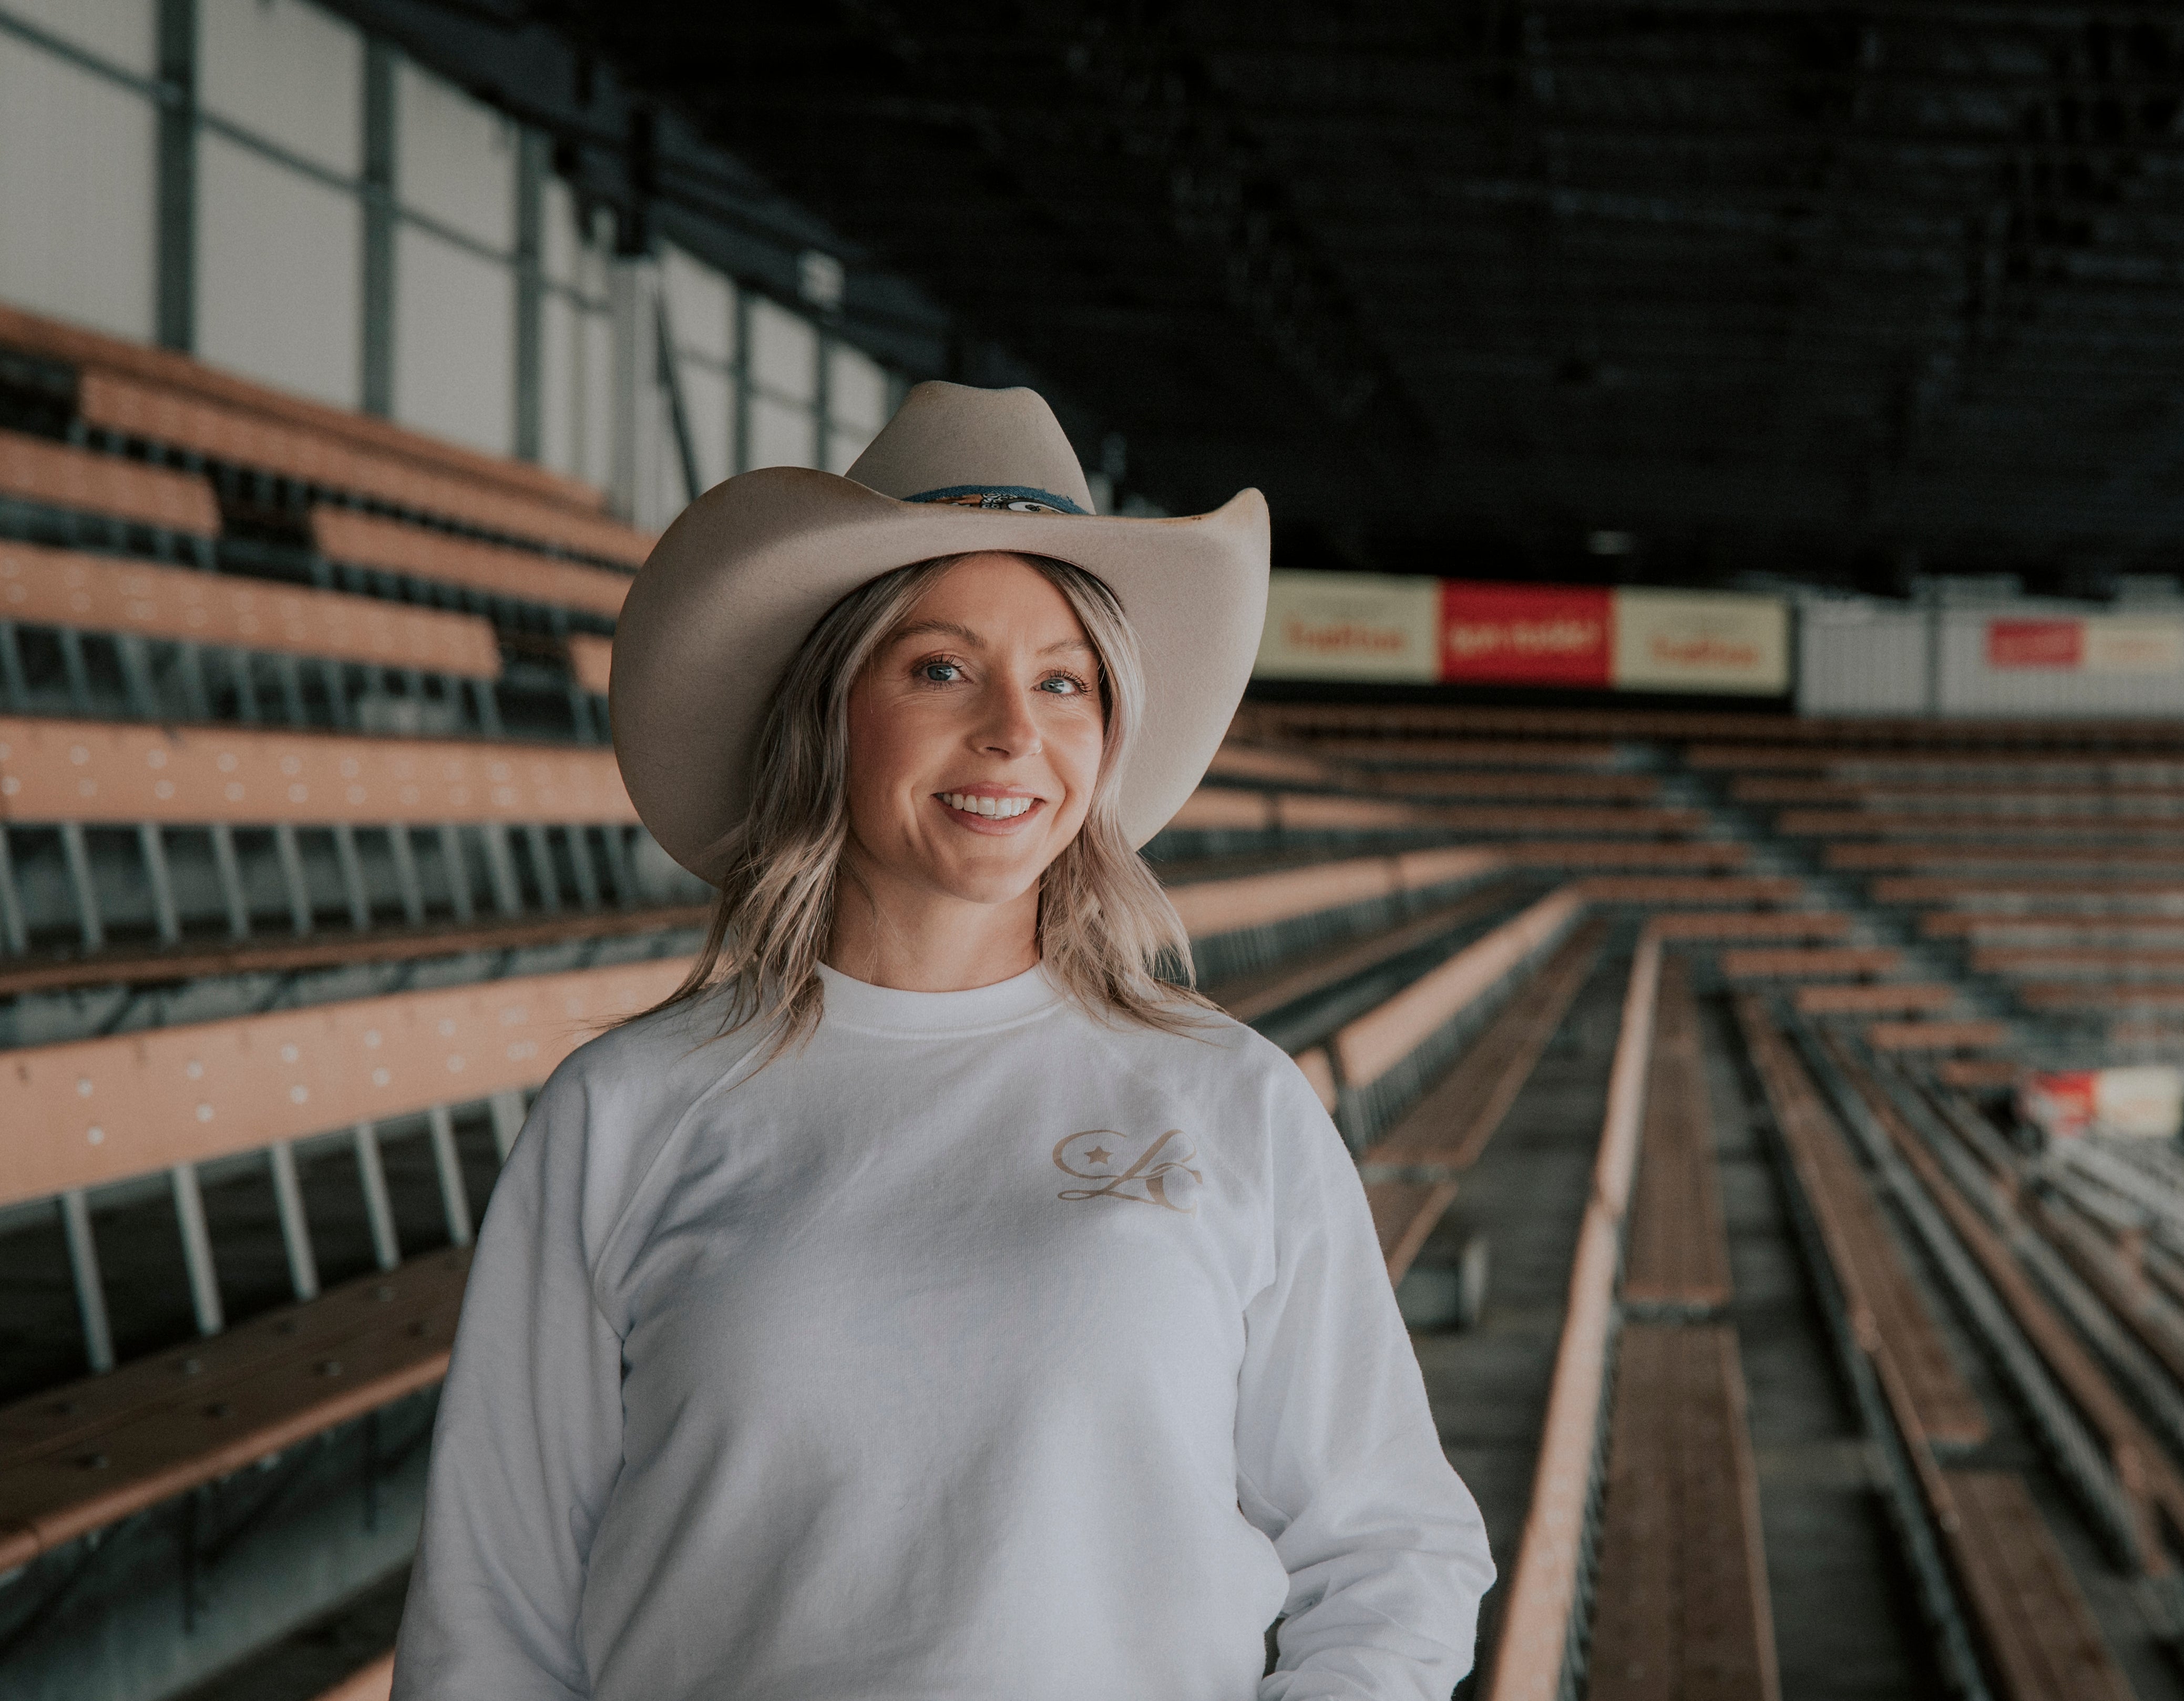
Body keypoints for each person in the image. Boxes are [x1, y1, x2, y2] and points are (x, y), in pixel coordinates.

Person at [389, 382, 1495, 1700]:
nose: (1014, 732)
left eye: (1062, 680)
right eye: (941, 667)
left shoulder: (1227, 1098)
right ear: (830, 707)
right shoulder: (624, 1108)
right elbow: (490, 1613)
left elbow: (1390, 1547)